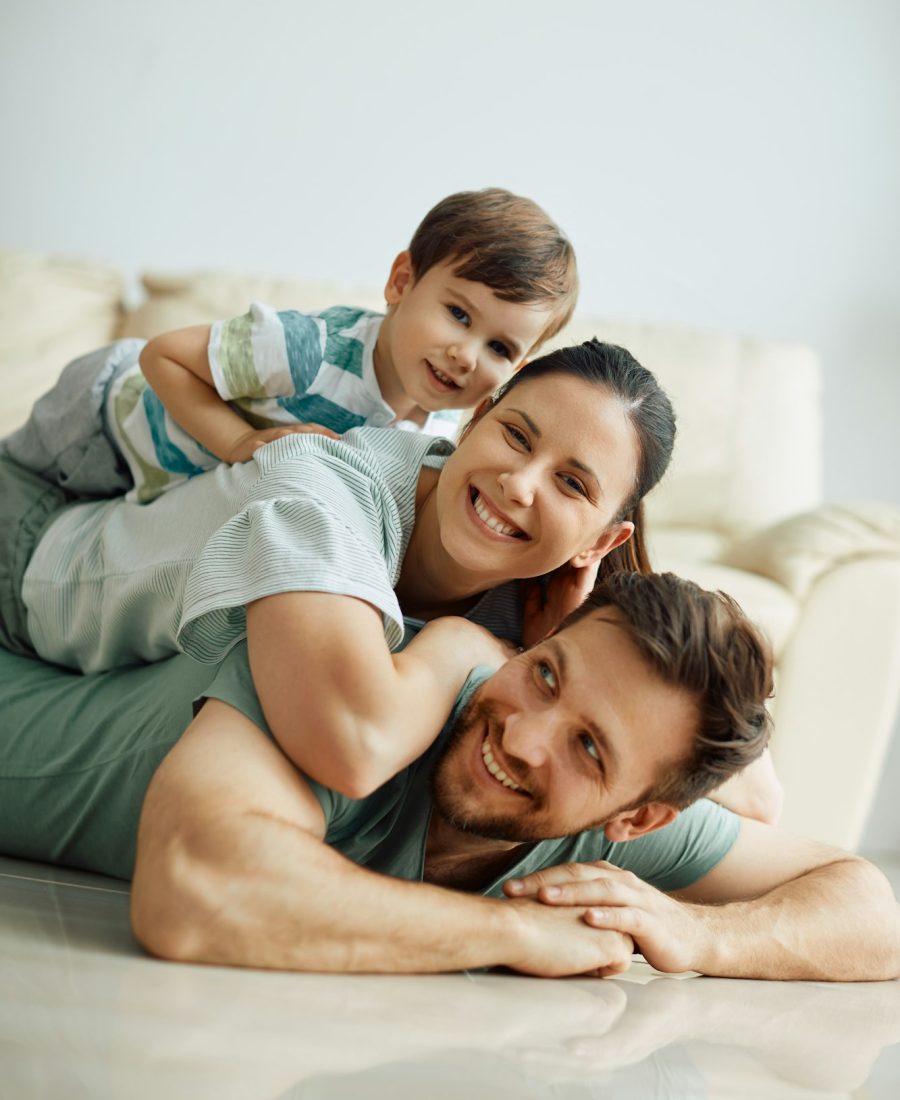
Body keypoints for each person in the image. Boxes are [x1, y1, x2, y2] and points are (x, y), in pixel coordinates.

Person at [0, 573, 895, 981]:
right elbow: (196, 890)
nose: (525, 734)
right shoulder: (356, 690)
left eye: (590, 750)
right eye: (545, 673)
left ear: (641, 815)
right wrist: (502, 934)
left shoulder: (621, 831)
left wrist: (702, 938)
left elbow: (872, 913)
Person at [4, 340, 667, 801]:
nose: (518, 484)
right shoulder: (327, 485)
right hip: (24, 561)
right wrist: (476, 646)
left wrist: (553, 644)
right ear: (476, 421)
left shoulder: (531, 603)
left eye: (572, 484)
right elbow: (352, 745)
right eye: (517, 435)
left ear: (602, 542)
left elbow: (738, 787)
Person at [0, 188, 577, 504]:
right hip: (108, 418)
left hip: (163, 475)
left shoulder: (445, 433)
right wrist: (242, 441)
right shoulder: (309, 349)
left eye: (499, 348)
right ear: (402, 282)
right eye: (458, 314)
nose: (467, 355)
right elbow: (163, 356)